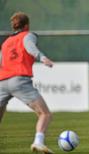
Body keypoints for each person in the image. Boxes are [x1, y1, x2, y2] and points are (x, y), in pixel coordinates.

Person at [0, 12, 54, 153]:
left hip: (2, 82)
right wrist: (43, 58)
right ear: (27, 25)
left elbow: (1, 62)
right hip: (19, 80)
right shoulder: (28, 35)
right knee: (45, 114)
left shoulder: (6, 42)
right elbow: (30, 48)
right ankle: (38, 142)